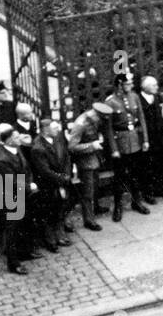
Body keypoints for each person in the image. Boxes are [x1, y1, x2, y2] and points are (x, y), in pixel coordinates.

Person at [102, 73, 151, 220]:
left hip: (135, 140)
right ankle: (118, 206)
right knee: (120, 177)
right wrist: (114, 149)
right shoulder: (110, 102)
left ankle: (137, 202)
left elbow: (141, 118)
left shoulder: (134, 96)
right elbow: (108, 128)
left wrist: (145, 140)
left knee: (136, 173)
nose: (131, 86)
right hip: (121, 142)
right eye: (128, 84)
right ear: (119, 85)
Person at [0, 125, 35, 274]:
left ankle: (24, 252)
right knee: (12, 230)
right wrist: (29, 186)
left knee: (23, 224)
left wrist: (29, 182)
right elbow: (9, 181)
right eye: (14, 137)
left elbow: (26, 168)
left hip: (21, 192)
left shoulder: (14, 148)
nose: (18, 138)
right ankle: (13, 263)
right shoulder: (0, 158)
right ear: (5, 141)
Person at [28, 119, 72, 254]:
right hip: (48, 185)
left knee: (60, 208)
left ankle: (59, 233)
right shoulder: (38, 147)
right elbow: (44, 171)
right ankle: (49, 239)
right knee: (47, 212)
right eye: (54, 128)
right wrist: (62, 179)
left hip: (61, 181)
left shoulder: (58, 139)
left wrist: (67, 174)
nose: (58, 129)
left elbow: (66, 158)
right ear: (45, 129)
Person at [66, 102, 111, 231]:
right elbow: (72, 147)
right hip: (85, 163)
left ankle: (95, 208)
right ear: (96, 114)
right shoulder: (80, 124)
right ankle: (89, 220)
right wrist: (92, 145)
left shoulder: (94, 120)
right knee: (87, 193)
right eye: (101, 118)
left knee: (95, 187)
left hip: (95, 160)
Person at [139, 75, 163, 198]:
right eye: (154, 85)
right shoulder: (138, 99)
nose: (157, 87)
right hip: (148, 138)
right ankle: (148, 192)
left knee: (161, 163)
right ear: (145, 87)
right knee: (148, 165)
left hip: (160, 137)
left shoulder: (156, 97)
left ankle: (161, 188)